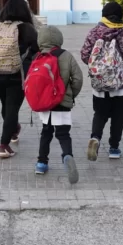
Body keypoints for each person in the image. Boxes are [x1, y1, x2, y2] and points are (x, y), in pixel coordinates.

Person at [80, 2, 123, 160]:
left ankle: (95, 138)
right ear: (121, 15)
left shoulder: (95, 32)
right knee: (119, 115)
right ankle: (114, 147)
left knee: (100, 113)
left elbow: (85, 55)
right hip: (121, 84)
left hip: (100, 84)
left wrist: (99, 67)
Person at [0, 0, 38, 158]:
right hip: (16, 75)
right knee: (12, 108)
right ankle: (3, 145)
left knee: (7, 106)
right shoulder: (26, 28)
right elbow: (37, 50)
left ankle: (13, 131)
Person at [32, 26, 84, 183]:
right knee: (63, 134)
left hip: (46, 102)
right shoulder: (66, 55)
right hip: (62, 102)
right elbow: (78, 79)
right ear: (59, 39)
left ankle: (41, 163)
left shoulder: (38, 56)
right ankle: (67, 156)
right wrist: (71, 95)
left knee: (46, 133)